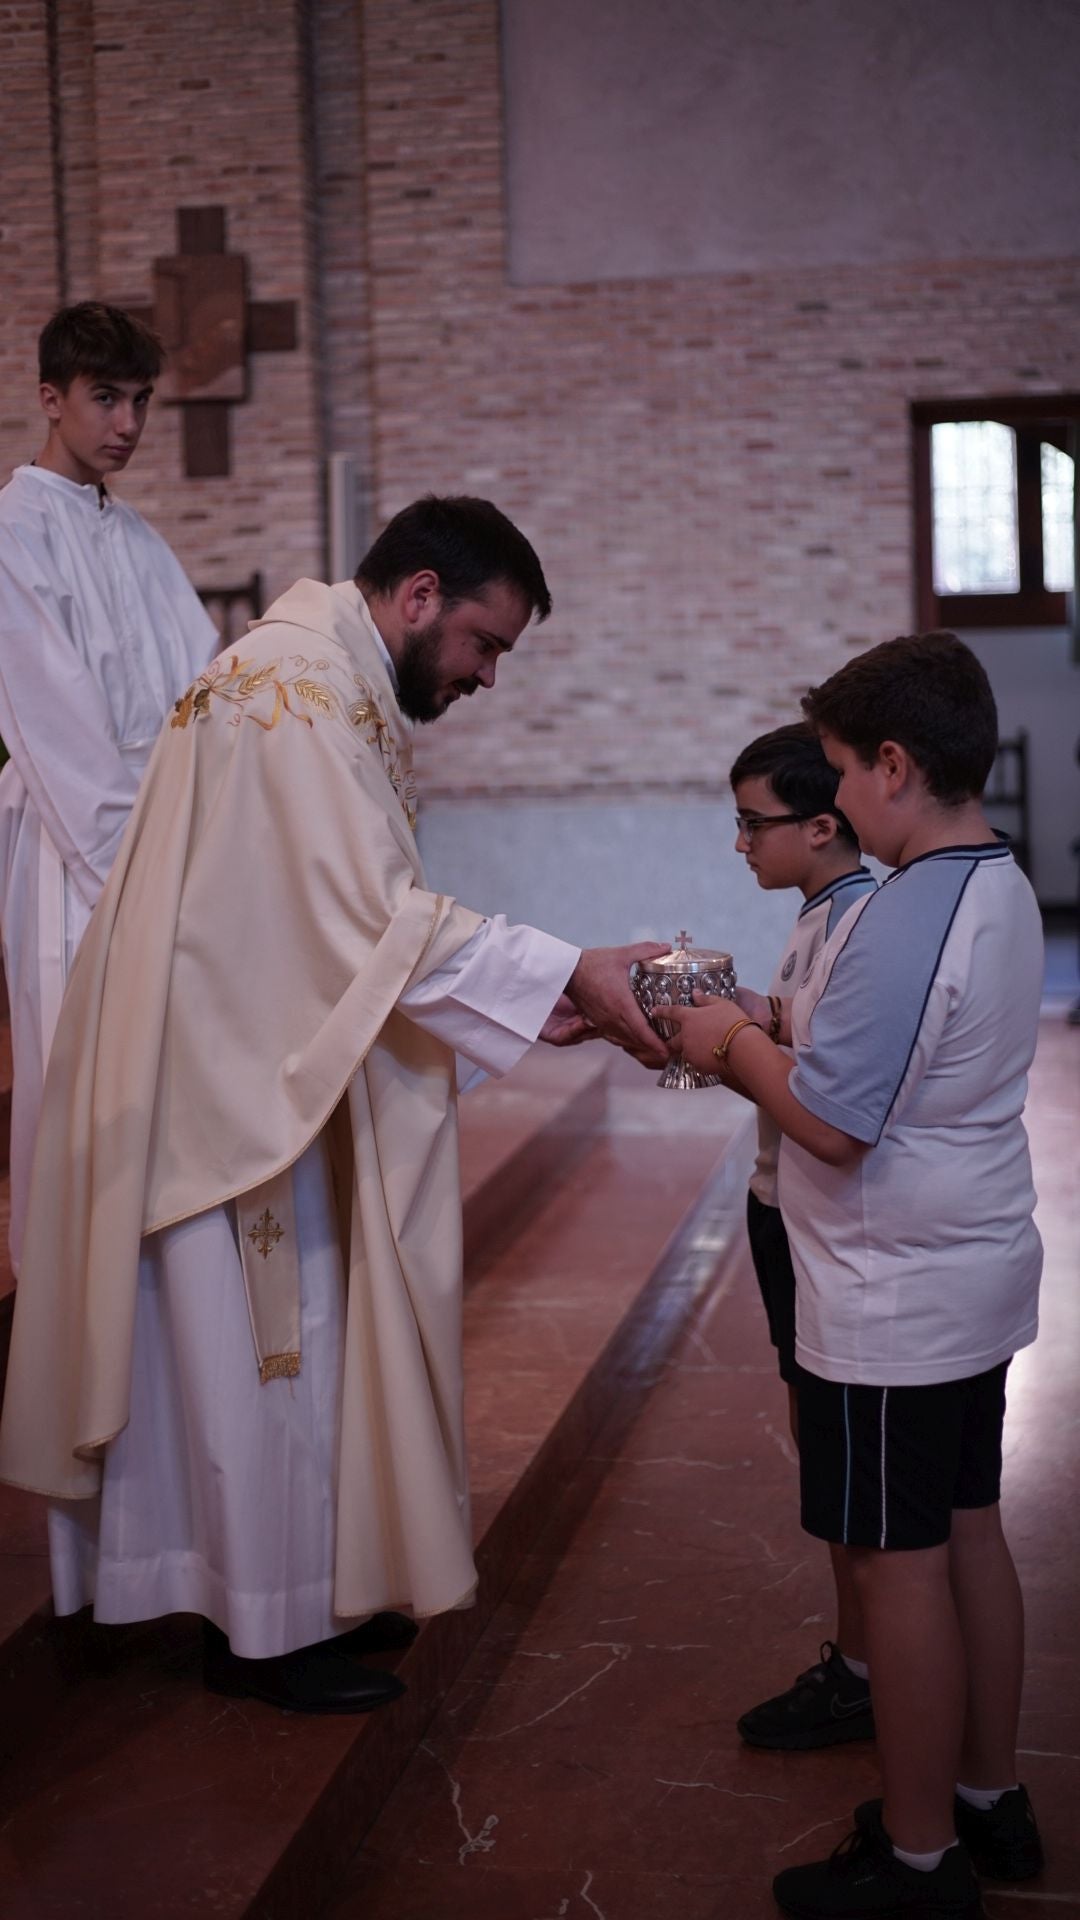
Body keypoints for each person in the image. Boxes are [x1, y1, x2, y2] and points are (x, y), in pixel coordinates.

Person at [0, 494, 669, 1715]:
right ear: (419, 596)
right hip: (228, 1091)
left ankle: (297, 1597)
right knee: (266, 1358)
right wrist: (558, 971)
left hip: (258, 1059)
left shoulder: (319, 679)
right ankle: (259, 1626)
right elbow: (370, 920)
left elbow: (348, 916)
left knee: (287, 1354)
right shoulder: (294, 691)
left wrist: (529, 993)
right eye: (485, 644)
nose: (485, 677)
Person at [660, 634, 1044, 1918]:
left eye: (837, 770)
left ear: (891, 766)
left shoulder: (908, 912)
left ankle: (922, 1858)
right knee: (972, 1531)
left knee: (901, 1567)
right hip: (969, 1261)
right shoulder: (1000, 880)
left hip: (896, 1296)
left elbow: (831, 1123)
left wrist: (721, 1040)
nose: (835, 798)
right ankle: (989, 1794)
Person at [0, 301, 217, 1277]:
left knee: (160, 1093)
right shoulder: (12, 530)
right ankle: (64, 1328)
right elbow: (54, 725)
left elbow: (205, 688)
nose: (126, 423)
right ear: (51, 398)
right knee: (82, 1079)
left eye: (140, 401)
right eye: (104, 399)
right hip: (73, 852)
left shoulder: (137, 540)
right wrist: (134, 871)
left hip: (163, 846)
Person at [725, 722, 877, 1752]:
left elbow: (830, 1096)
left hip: (830, 1227)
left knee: (845, 1463)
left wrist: (731, 1044)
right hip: (783, 1210)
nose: (740, 844)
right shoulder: (817, 914)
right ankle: (861, 1656)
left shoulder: (866, 923)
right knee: (822, 1451)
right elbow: (803, 1033)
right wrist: (745, 1017)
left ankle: (869, 1669)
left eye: (752, 823)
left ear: (823, 826)